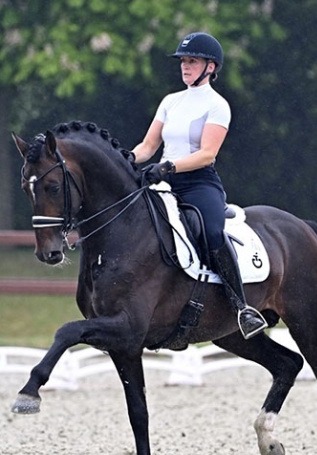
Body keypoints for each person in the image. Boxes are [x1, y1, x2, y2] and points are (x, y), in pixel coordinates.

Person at [132, 32, 268, 340]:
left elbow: (207, 153)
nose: (185, 66)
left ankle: (241, 306)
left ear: (210, 67)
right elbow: (148, 145)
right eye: (183, 61)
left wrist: (169, 167)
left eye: (192, 61)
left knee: (211, 231)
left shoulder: (217, 105)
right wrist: (127, 158)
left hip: (197, 183)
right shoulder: (170, 102)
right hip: (161, 179)